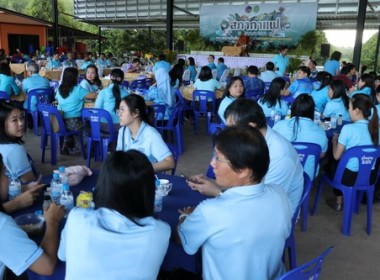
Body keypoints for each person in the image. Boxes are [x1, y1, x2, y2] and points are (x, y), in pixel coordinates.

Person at [177, 126, 292, 280]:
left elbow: (182, 240)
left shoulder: (211, 211)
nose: (212, 164)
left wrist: (184, 217)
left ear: (243, 170)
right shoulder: (280, 194)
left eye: (218, 158)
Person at [58, 150, 170, 279]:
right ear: (148, 190)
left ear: (103, 184)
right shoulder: (160, 231)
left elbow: (63, 255)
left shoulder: (77, 218)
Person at [188, 99, 303, 214]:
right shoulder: (245, 142)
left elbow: (264, 205)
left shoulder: (280, 155)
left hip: (271, 214)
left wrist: (219, 193)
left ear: (251, 127)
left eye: (232, 128)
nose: (228, 132)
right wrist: (213, 181)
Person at [0, 153, 65, 279]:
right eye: (3, 174)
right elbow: (47, 267)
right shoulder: (2, 225)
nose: (7, 179)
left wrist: (17, 202)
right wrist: (52, 222)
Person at [327, 94, 379, 211]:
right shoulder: (376, 129)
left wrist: (334, 141)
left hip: (349, 177)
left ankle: (338, 201)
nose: (348, 111)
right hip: (370, 177)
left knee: (332, 163)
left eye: (349, 108)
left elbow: (336, 156)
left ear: (356, 110)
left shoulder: (348, 129)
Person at [273, 95, 327, 180]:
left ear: (292, 109)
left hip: (281, 175)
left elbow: (272, 149)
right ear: (312, 111)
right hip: (307, 176)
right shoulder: (320, 131)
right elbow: (322, 154)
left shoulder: (279, 126)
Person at [116, 94, 175, 172]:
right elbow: (119, 157)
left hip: (147, 180)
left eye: (122, 110)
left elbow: (170, 163)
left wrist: (142, 169)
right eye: (119, 110)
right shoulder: (122, 132)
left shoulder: (151, 134)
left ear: (135, 113)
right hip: (130, 179)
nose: (119, 114)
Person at [56, 67, 97, 155]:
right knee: (89, 124)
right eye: (77, 75)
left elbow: (58, 100)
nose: (78, 77)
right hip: (75, 122)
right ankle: (83, 148)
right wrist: (102, 92)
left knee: (72, 128)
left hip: (61, 122)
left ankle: (66, 143)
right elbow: (93, 96)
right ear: (74, 77)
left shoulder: (60, 88)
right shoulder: (78, 89)